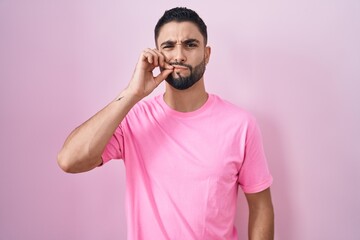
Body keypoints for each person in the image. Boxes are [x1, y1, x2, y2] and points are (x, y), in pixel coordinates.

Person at [57, 7, 274, 240]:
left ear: (207, 54)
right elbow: (69, 160)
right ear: (156, 54)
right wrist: (132, 93)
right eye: (169, 46)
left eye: (190, 44)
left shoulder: (240, 125)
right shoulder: (134, 119)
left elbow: (261, 205)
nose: (179, 55)